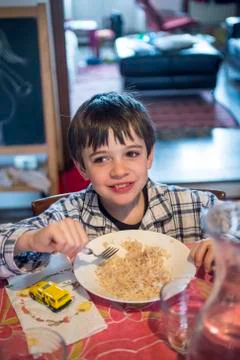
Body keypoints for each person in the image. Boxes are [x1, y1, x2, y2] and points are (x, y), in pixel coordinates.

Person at [0, 92, 218, 279]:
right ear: (82, 168)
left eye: (131, 154)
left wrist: (227, 246)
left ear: (149, 157)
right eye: (101, 159)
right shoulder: (68, 214)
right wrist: (31, 239)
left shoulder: (196, 205)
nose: (119, 171)